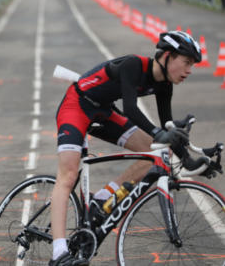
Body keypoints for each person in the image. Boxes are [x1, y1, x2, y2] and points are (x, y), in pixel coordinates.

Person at [49, 30, 201, 266]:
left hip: (103, 111)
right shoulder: (134, 65)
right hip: (77, 105)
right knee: (68, 175)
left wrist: (192, 161)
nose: (189, 70)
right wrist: (158, 133)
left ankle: (101, 199)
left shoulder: (165, 85)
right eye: (187, 62)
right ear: (168, 56)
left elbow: (166, 129)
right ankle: (59, 251)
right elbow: (130, 108)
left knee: (158, 151)